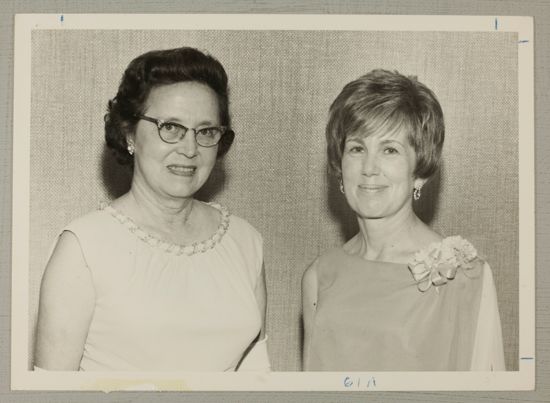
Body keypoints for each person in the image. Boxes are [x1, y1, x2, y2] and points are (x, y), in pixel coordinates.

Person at [34, 47, 269, 372]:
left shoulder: (246, 242)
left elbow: (256, 378)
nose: (189, 149)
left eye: (206, 131)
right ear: (129, 132)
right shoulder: (83, 248)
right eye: (170, 127)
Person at [302, 69, 505, 371]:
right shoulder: (319, 275)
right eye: (357, 148)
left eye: (390, 150)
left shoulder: (463, 275)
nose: (369, 168)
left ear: (420, 172)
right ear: (339, 165)